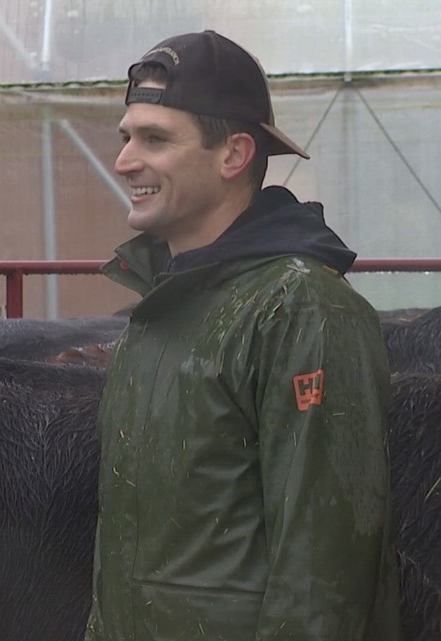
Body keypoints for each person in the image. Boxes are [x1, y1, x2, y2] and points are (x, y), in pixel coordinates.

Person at [88, 31, 403, 640]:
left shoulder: (300, 308)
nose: (125, 160)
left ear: (233, 155)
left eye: (155, 139)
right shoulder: (163, 306)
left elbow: (324, 573)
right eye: (127, 137)